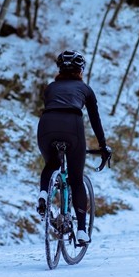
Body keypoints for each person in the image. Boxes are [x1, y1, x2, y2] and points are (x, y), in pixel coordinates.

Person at [37, 49, 111, 245]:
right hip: (72, 126)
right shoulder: (85, 89)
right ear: (81, 70)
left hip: (46, 126)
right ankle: (81, 231)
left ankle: (44, 194)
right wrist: (103, 146)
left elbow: (54, 105)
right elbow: (95, 120)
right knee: (76, 179)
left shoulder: (50, 88)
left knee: (51, 163)